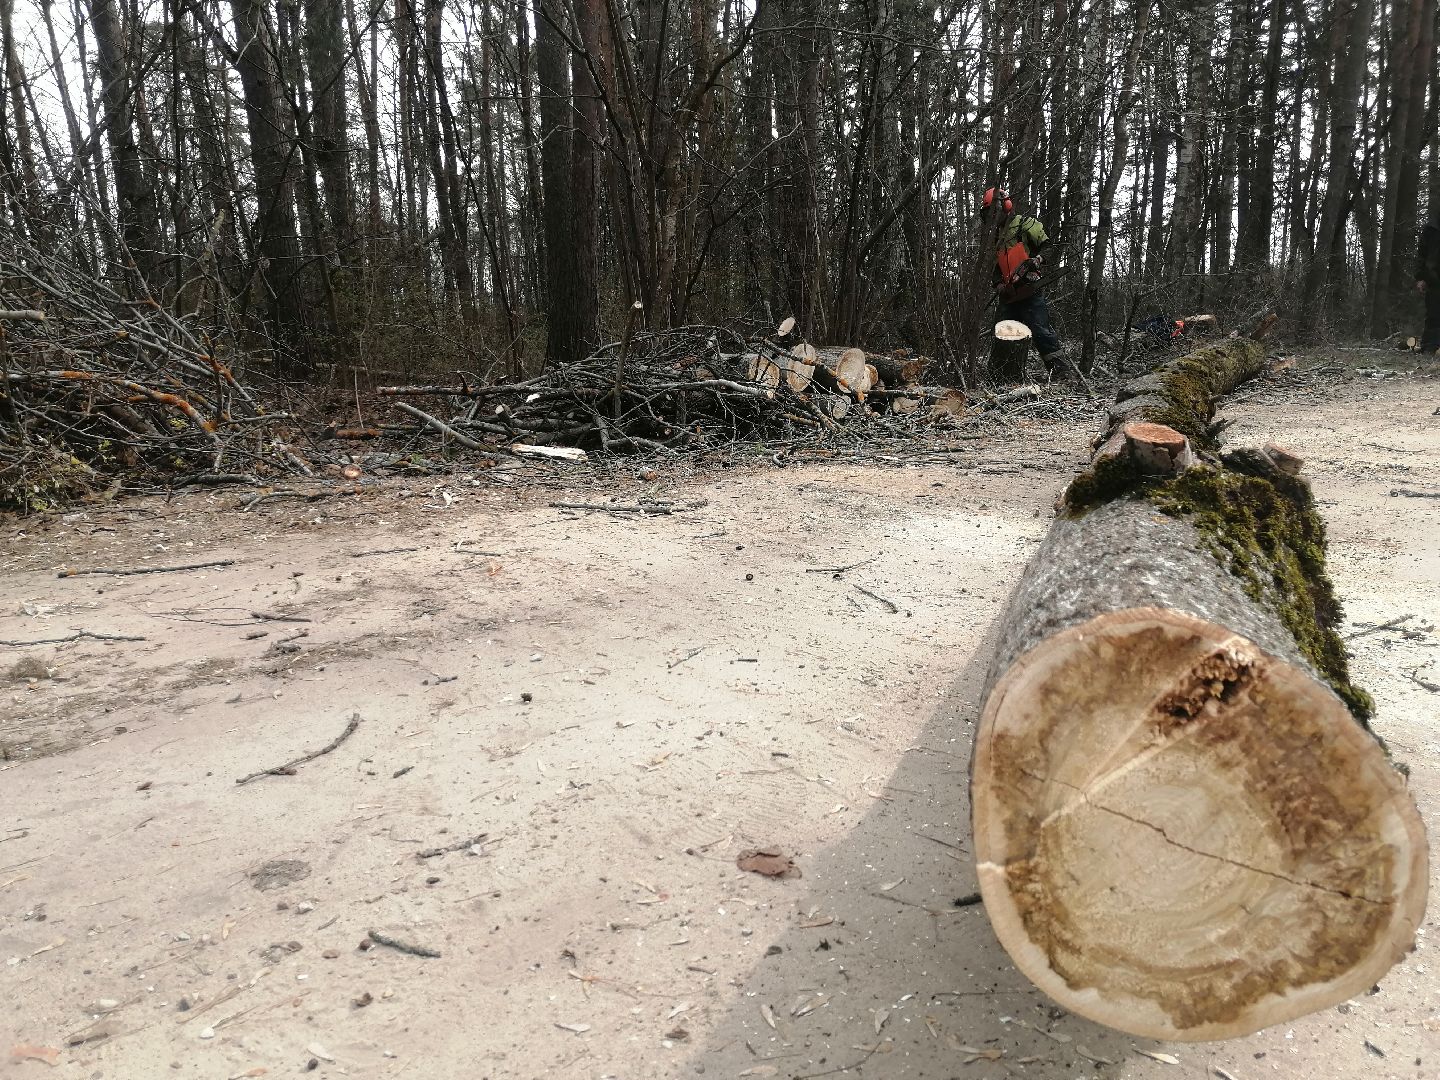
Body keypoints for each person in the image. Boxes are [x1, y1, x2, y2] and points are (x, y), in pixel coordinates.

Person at [982, 187, 1065, 373]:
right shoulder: (995, 236)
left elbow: (1049, 247)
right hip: (1009, 295)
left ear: (1005, 206)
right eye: (990, 213)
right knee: (1003, 335)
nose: (993, 216)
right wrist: (999, 285)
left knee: (1041, 330)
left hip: (1029, 288)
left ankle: (1062, 373)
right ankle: (1001, 376)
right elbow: (996, 268)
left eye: (995, 211)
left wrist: (1037, 260)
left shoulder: (1026, 224)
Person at [1413, 220, 1440, 353]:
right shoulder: (1432, 228)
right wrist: (1421, 277)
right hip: (1434, 278)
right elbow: (1422, 254)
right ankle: (1430, 347)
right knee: (1434, 313)